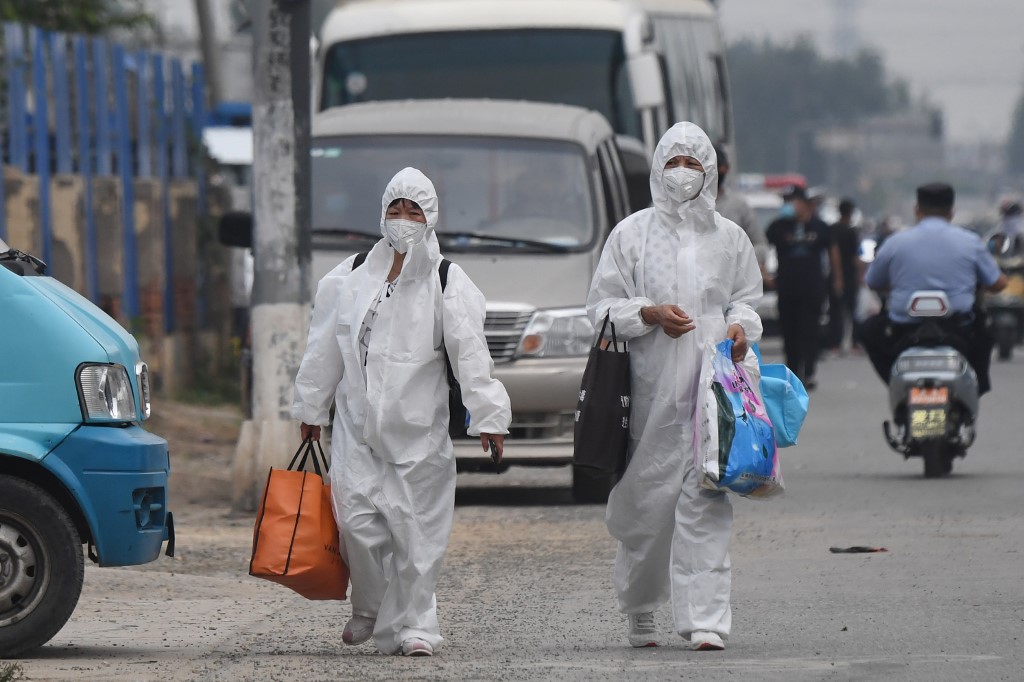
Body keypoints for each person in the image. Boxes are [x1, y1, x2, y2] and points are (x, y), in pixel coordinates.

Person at [292, 167, 512, 657]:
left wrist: (489, 415)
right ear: (383, 213)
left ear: (430, 218)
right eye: (396, 209)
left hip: (418, 432)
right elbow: (324, 347)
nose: (404, 219)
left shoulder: (446, 280)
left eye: (415, 211)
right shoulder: (347, 278)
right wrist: (312, 405)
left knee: (417, 533)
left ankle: (418, 625)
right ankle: (369, 608)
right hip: (356, 426)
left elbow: (471, 354)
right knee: (358, 526)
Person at [586, 122, 763, 652]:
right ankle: (640, 605)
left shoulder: (730, 238)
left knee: (708, 502)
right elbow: (600, 309)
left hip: (714, 394)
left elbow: (746, 301)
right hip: (650, 394)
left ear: (710, 171)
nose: (683, 172)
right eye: (673, 161)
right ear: (659, 168)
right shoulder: (630, 235)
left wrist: (738, 330)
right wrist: (650, 313)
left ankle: (706, 619)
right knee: (647, 511)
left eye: (693, 162)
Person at [861, 182, 1006, 394]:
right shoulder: (970, 242)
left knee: (867, 330)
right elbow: (998, 283)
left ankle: (896, 383)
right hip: (958, 328)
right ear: (952, 212)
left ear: (917, 210)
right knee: (986, 330)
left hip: (904, 330)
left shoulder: (895, 242)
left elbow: (873, 281)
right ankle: (977, 385)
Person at [765, 185, 836, 389]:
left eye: (792, 201)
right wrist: (764, 274)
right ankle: (793, 373)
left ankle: (810, 371)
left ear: (805, 204)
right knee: (790, 333)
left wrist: (836, 279)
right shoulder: (777, 227)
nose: (788, 206)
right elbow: (761, 248)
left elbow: (832, 253)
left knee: (809, 331)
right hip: (787, 288)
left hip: (812, 288)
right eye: (786, 201)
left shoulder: (819, 227)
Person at [713, 143, 769, 270]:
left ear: (726, 168)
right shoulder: (686, 206)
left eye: (716, 167)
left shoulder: (738, 206)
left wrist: (737, 260)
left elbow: (760, 245)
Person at [825, 198, 864, 354]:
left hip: (834, 275)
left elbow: (830, 255)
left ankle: (836, 344)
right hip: (848, 276)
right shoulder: (851, 231)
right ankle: (854, 343)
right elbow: (853, 256)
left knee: (835, 312)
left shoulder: (832, 229)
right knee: (852, 311)